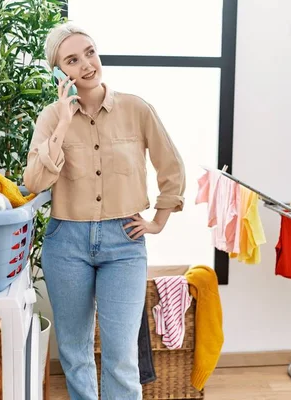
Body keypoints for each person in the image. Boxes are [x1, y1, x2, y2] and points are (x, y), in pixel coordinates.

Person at [23, 22, 186, 400]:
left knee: (121, 356)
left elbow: (171, 166)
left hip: (124, 243)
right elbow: (33, 181)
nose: (86, 64)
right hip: (67, 244)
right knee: (75, 353)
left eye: (90, 52)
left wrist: (159, 220)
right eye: (73, 60)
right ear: (60, 71)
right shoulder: (51, 117)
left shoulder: (136, 108)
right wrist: (63, 124)